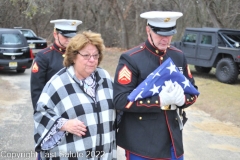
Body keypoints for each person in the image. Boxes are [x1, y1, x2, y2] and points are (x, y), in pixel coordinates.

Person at [113, 11, 199, 160]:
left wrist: (182, 100)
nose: (165, 39)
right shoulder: (131, 58)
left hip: (172, 140)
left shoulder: (178, 56)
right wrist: (159, 101)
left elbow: (193, 92)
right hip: (141, 143)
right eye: (160, 34)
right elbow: (120, 100)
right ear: (148, 30)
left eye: (169, 34)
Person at [34, 31, 116, 160]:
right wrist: (63, 124)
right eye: (86, 55)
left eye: (95, 55)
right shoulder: (58, 83)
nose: (92, 60)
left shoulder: (105, 78)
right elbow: (40, 114)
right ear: (73, 57)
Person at [30, 19, 82, 112]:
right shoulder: (44, 56)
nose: (69, 39)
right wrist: (41, 115)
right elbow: (37, 90)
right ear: (55, 34)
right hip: (54, 108)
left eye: (72, 36)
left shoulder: (79, 54)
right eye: (65, 36)